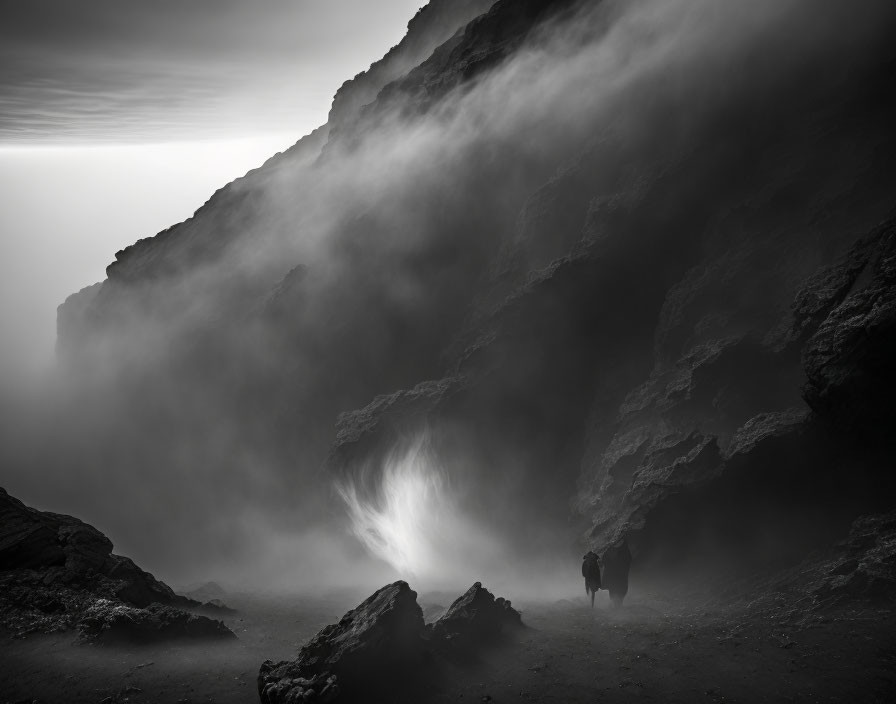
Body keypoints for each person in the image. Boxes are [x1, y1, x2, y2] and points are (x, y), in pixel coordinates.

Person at [602, 539, 632, 608]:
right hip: (618, 582)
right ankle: (616, 606)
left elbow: (606, 561)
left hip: (617, 582)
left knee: (616, 594)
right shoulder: (625, 554)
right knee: (616, 594)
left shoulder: (624, 554)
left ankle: (616, 606)